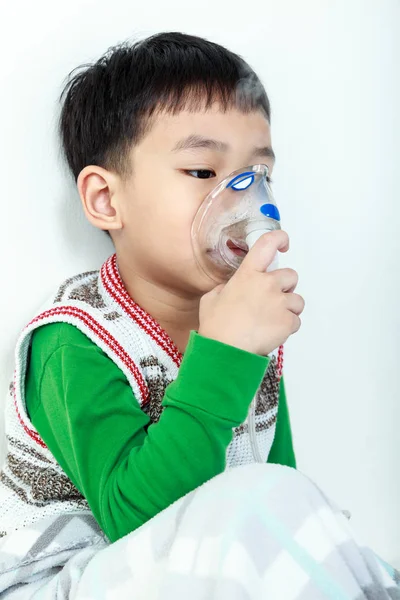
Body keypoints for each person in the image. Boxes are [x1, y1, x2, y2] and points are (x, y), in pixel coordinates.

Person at [0, 32, 397, 599]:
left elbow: (278, 490)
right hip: (68, 580)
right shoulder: (74, 340)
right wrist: (227, 354)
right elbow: (136, 521)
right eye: (203, 173)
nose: (242, 201)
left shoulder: (249, 327)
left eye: (258, 176)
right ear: (107, 201)